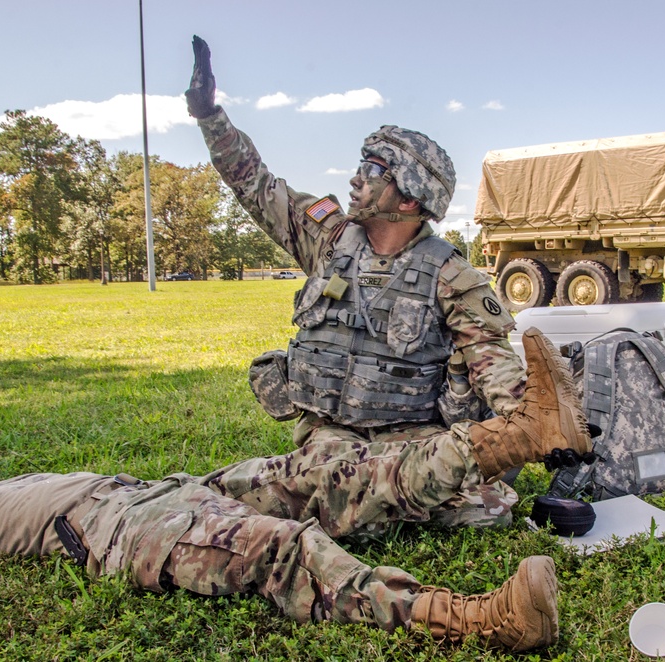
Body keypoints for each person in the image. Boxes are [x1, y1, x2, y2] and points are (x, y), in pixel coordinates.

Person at [186, 36, 592, 537]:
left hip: (410, 442)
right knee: (347, 486)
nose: (356, 179)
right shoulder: (327, 237)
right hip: (327, 435)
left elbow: (494, 365)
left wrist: (530, 420)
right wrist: (209, 115)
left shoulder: (451, 276)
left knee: (485, 508)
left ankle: (336, 497)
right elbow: (253, 181)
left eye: (372, 171)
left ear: (408, 199)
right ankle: (351, 495)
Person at [0, 437, 558, 651]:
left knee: (317, 474)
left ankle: (513, 437)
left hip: (165, 487)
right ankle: (474, 620)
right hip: (123, 529)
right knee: (281, 549)